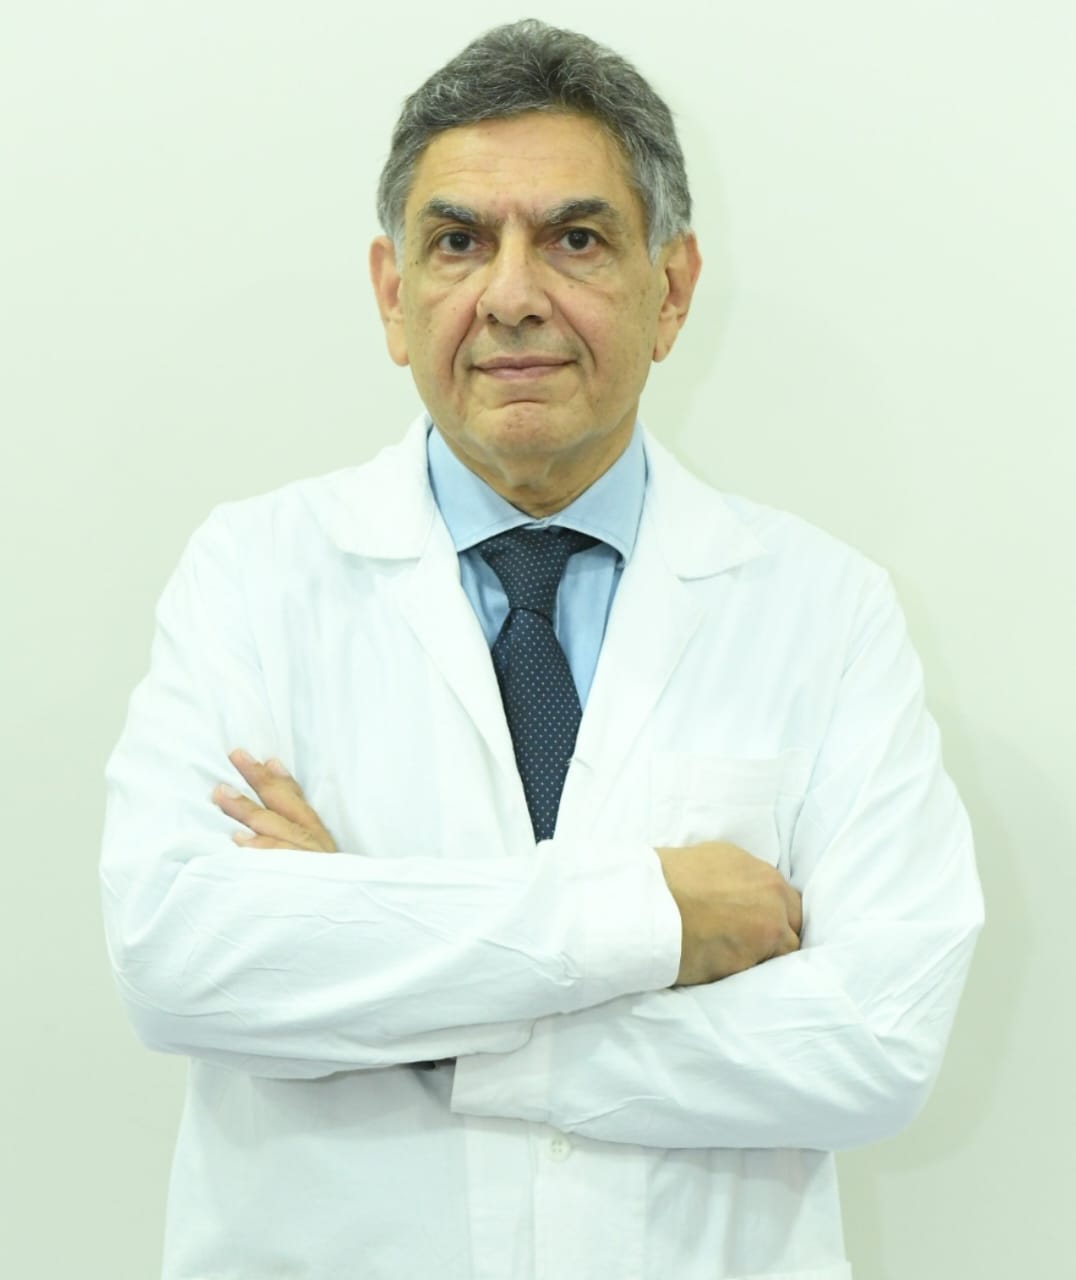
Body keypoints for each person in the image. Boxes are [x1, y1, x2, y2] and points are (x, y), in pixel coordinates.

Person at [100, 19, 983, 1280]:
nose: (510, 295)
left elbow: (874, 1041)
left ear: (670, 288)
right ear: (392, 294)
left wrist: (386, 973)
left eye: (574, 238)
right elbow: (180, 958)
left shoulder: (823, 608)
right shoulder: (252, 573)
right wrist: (651, 919)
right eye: (458, 241)